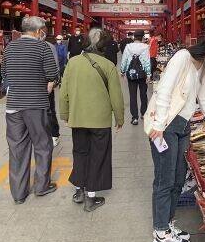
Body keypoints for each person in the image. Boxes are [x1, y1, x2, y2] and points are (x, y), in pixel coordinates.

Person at [146, 31, 205, 242]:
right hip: (166, 126)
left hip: (183, 126)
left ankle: (167, 224)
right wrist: (158, 125)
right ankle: (160, 232)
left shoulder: (201, 64)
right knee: (165, 180)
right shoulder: (183, 58)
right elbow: (164, 89)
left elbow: (203, 98)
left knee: (177, 179)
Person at [59, 28, 124, 212]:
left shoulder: (73, 63)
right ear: (103, 44)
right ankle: (91, 196)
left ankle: (79, 190)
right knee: (98, 155)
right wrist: (119, 118)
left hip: (78, 117)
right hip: (100, 120)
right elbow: (116, 96)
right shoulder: (108, 65)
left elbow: (64, 92)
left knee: (80, 152)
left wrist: (65, 114)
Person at [2, 16, 59, 204]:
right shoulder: (42, 48)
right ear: (37, 31)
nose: (44, 33)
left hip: (13, 105)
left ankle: (18, 194)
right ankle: (42, 186)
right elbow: (52, 74)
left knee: (17, 148)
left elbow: (4, 74)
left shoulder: (9, 48)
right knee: (42, 144)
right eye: (43, 30)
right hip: (36, 104)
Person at [119, 30, 152, 125]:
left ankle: (134, 118)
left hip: (131, 73)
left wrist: (122, 71)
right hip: (142, 74)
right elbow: (146, 61)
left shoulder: (128, 47)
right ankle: (144, 114)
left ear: (134, 37)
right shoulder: (145, 47)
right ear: (142, 38)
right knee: (143, 94)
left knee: (132, 95)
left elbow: (124, 59)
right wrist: (149, 74)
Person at [45, 35, 63, 148]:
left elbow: (56, 64)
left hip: (47, 84)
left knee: (49, 110)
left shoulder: (50, 46)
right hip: (38, 85)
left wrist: (54, 81)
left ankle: (54, 134)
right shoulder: (51, 46)